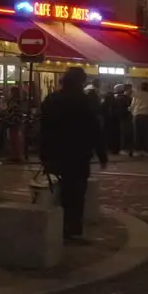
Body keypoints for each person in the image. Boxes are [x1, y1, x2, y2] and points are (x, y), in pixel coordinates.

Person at [39, 67, 108, 243]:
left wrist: (44, 154)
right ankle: (70, 230)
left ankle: (58, 226)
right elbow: (94, 129)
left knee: (60, 190)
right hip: (77, 154)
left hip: (56, 153)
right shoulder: (83, 101)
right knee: (75, 194)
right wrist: (101, 154)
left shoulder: (52, 99)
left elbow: (43, 129)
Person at [130, 83, 148, 154]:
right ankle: (146, 149)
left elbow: (132, 106)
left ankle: (137, 149)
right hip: (146, 115)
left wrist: (132, 112)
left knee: (136, 133)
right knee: (146, 133)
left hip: (137, 115)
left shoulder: (136, 95)